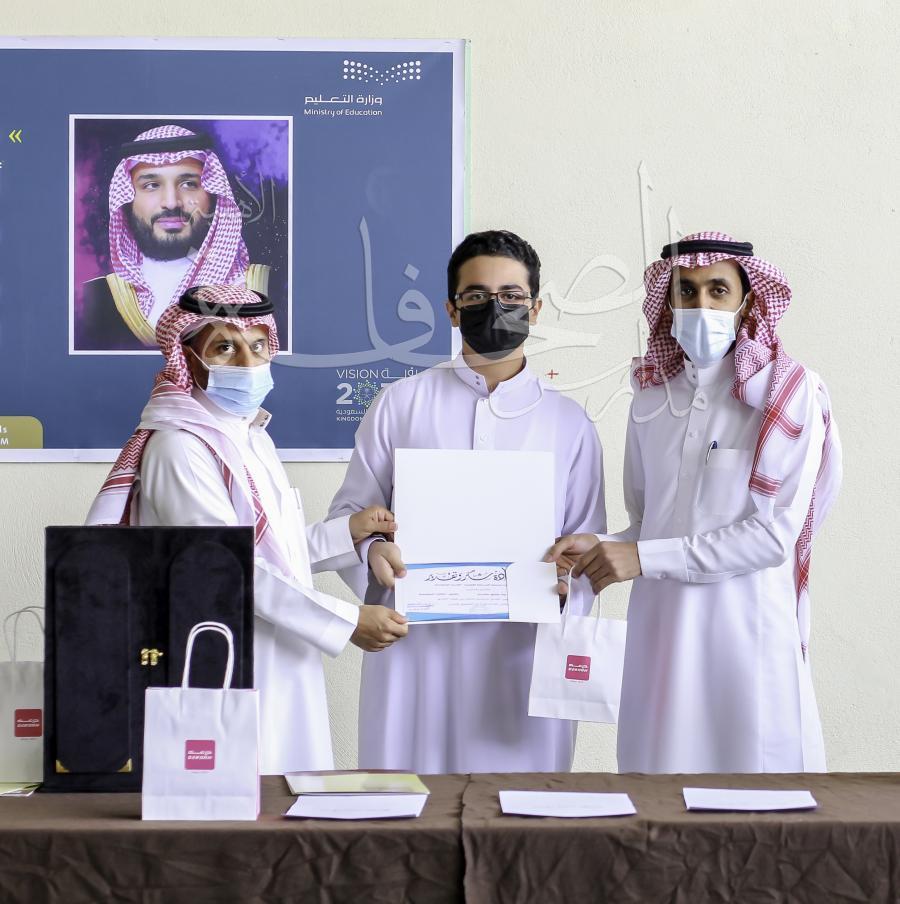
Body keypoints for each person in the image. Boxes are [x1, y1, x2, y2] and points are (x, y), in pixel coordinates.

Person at [548, 232, 842, 773]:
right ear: (668, 300)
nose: (700, 304)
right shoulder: (650, 395)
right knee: (656, 794)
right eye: (686, 291)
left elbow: (772, 537)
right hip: (660, 638)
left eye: (717, 290)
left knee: (756, 803)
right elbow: (649, 524)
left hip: (746, 638)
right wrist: (600, 546)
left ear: (747, 301)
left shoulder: (787, 392)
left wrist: (641, 556)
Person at [86, 284, 408, 773]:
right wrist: (347, 621)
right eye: (225, 347)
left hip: (282, 658)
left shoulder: (251, 436)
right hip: (227, 664)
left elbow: (271, 552)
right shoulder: (180, 447)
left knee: (285, 798)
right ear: (188, 359)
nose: (247, 361)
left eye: (258, 345)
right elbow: (225, 570)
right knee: (238, 799)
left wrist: (346, 533)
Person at [325, 230, 607, 773]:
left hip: (520, 653)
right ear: (452, 310)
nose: (494, 308)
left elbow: (588, 545)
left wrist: (571, 577)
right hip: (415, 650)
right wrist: (372, 552)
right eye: (476, 296)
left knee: (519, 810)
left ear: (535, 309)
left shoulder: (569, 423)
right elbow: (349, 517)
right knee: (410, 804)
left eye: (511, 296)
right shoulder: (400, 404)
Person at [79, 125, 268, 350]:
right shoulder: (94, 299)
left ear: (213, 195)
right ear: (127, 200)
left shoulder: (261, 288)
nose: (171, 202)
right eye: (151, 185)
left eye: (188, 184)